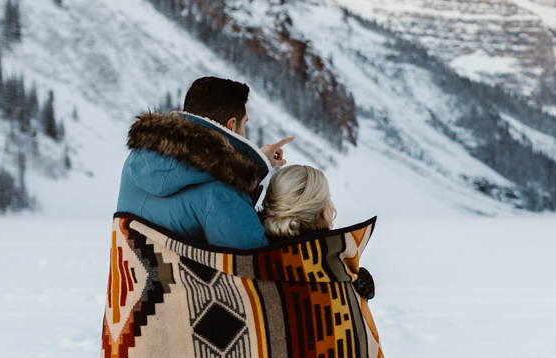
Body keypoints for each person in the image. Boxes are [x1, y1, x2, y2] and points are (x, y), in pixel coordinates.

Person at [116, 76, 294, 249]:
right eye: (244, 124)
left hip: (134, 278)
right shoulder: (223, 191)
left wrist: (254, 162)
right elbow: (255, 263)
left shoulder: (138, 161)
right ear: (231, 125)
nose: (245, 134)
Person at [261, 164, 374, 300]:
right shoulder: (326, 272)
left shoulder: (249, 256)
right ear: (320, 211)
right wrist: (352, 289)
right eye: (328, 198)